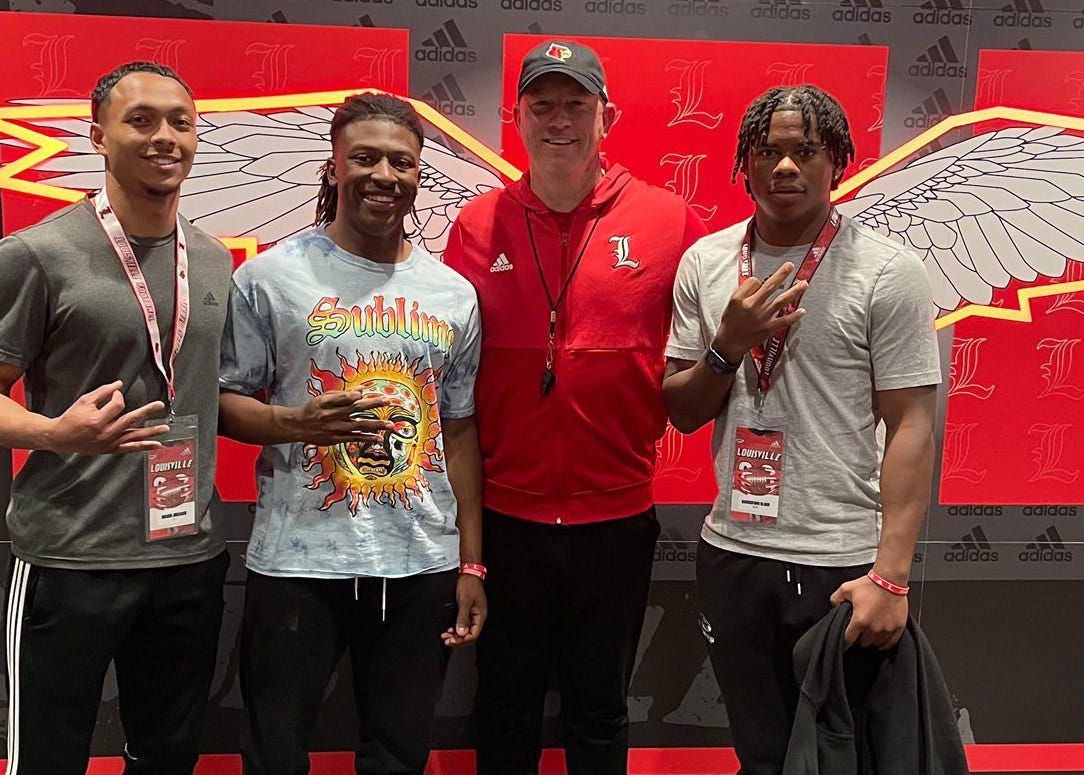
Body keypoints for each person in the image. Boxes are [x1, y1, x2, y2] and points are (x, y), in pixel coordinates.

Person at [0, 61, 233, 775]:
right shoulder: (36, 254)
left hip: (186, 559)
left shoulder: (212, 258)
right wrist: (54, 433)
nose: (165, 136)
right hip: (70, 557)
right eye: (141, 120)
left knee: (166, 758)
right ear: (98, 137)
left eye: (180, 121)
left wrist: (297, 422)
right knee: (48, 760)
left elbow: (210, 391)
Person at [443, 40, 707, 775]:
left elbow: (705, 351)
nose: (558, 120)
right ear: (516, 118)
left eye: (576, 104)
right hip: (506, 519)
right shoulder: (475, 225)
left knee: (599, 712)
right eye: (542, 105)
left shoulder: (668, 221)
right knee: (504, 708)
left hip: (614, 521)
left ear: (606, 116)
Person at [661, 84, 941, 775]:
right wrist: (728, 346)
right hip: (733, 553)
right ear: (744, 164)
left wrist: (892, 577)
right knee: (762, 755)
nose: (785, 165)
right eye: (768, 151)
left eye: (806, 151)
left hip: (842, 563)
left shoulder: (888, 270)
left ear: (837, 162)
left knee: (846, 758)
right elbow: (682, 410)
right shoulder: (706, 262)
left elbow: (911, 425)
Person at [218, 92, 485, 775]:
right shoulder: (269, 277)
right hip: (298, 563)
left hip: (420, 563)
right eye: (365, 158)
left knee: (398, 756)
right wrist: (295, 423)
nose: (383, 175)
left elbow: (458, 432)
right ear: (333, 167)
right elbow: (221, 402)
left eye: (402, 162)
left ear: (419, 174)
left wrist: (471, 562)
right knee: (274, 756)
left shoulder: (454, 294)